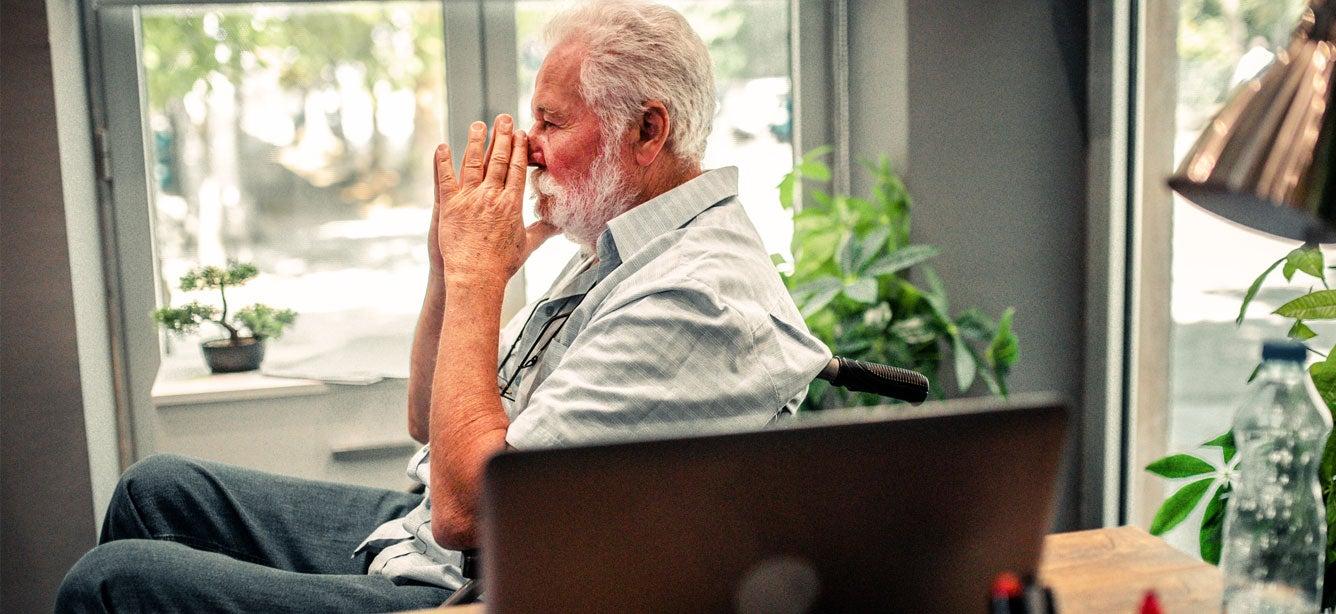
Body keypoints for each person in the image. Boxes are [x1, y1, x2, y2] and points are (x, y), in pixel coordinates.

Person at [56, 1, 828, 611]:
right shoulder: (619, 250)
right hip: (432, 538)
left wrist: (478, 278)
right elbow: (431, 420)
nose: (528, 147)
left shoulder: (697, 296)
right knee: (154, 488)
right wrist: (444, 267)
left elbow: (471, 511)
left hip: (480, 583)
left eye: (552, 122)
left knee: (114, 582)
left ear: (647, 130)